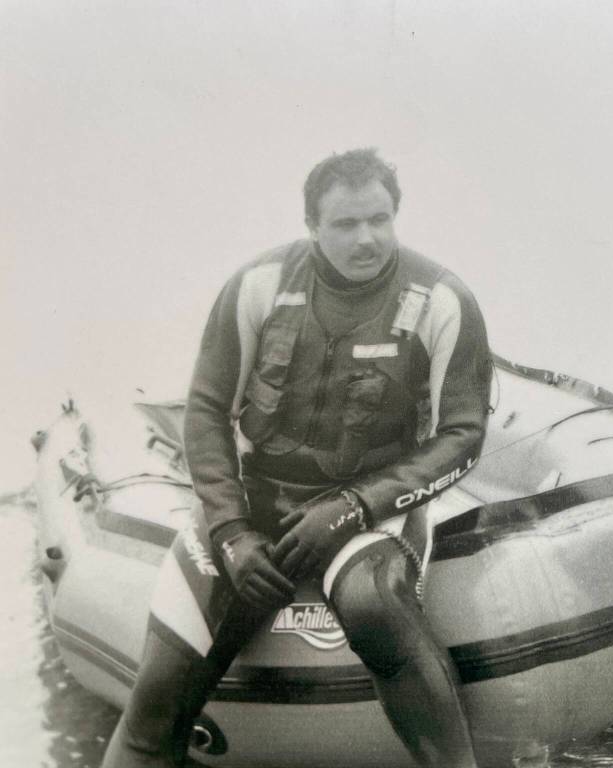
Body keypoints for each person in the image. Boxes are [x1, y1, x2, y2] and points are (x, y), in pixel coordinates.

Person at [101, 148, 492, 768]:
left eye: (380, 219)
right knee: (153, 712)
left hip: (371, 509)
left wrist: (353, 507)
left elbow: (464, 436)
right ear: (311, 226)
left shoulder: (442, 298)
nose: (367, 239)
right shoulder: (258, 283)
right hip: (257, 503)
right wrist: (230, 530)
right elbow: (205, 411)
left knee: (374, 605)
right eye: (345, 224)